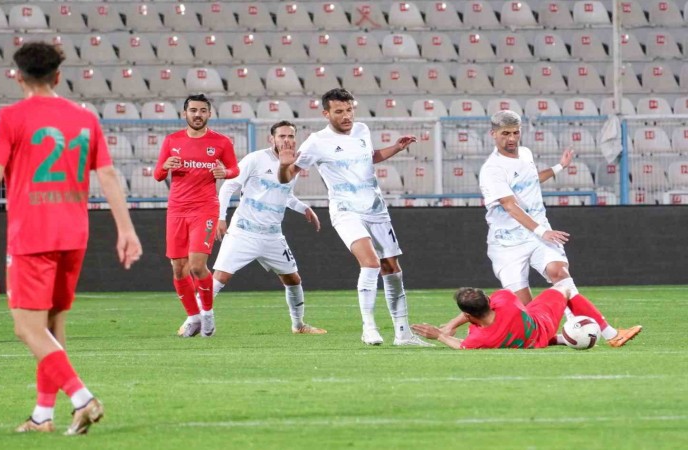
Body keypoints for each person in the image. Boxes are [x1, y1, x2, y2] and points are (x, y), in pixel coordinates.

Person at [0, 42, 142, 434]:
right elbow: (107, 174)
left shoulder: (10, 117)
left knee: (27, 328)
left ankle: (82, 399)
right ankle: (42, 416)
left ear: (17, 77)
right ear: (58, 76)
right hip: (74, 234)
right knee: (52, 326)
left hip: (32, 234)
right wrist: (126, 229)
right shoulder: (84, 118)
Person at [440, 110, 636, 347]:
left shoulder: (525, 153)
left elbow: (531, 179)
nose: (511, 138)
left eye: (515, 133)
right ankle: (566, 337)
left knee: (559, 274)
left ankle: (611, 334)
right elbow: (510, 206)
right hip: (507, 244)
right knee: (526, 312)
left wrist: (559, 167)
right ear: (493, 134)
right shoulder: (492, 170)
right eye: (505, 133)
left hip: (536, 235)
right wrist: (543, 231)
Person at [277, 88, 429, 346]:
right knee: (370, 263)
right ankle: (369, 327)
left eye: (349, 110)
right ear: (326, 114)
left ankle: (403, 333)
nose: (346, 116)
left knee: (392, 268)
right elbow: (286, 177)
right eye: (339, 111)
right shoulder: (316, 142)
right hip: (346, 210)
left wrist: (396, 148)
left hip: (376, 208)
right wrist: (283, 165)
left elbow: (369, 157)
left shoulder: (361, 130)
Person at [213, 120, 326, 335]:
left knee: (293, 279)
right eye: (282, 136)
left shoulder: (293, 163)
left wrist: (303, 208)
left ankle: (298, 325)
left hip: (273, 236)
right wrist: (221, 217)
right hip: (244, 231)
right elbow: (228, 186)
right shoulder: (255, 159)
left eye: (290, 136)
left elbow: (285, 194)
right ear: (271, 139)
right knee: (220, 277)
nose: (286, 140)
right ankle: (193, 321)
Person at [154, 94, 239, 338]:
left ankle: (208, 314)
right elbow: (158, 175)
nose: (198, 115)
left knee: (197, 265)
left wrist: (225, 172)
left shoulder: (221, 142)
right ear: (185, 114)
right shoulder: (172, 140)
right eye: (193, 110)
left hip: (204, 208)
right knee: (178, 268)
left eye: (202, 110)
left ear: (209, 114)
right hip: (177, 210)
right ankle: (193, 317)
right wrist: (165, 167)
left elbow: (234, 169)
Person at [412, 286, 642, 349]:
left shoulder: (480, 340)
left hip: (529, 342)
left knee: (515, 337)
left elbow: (461, 345)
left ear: (468, 315)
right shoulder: (505, 299)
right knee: (565, 289)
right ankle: (610, 334)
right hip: (542, 322)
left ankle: (564, 339)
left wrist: (441, 334)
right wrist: (453, 324)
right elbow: (483, 307)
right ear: (489, 300)